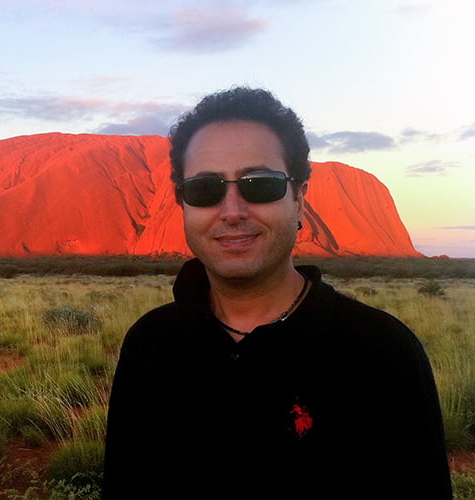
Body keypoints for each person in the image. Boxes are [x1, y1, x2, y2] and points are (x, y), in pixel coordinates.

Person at [102, 87, 451, 499]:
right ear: (183, 204)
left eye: (260, 185)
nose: (232, 211)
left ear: (300, 199)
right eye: (205, 189)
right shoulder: (151, 343)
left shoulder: (382, 352)